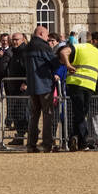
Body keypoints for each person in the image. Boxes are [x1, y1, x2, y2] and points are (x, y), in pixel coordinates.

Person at [22, 24, 60, 152]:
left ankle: (31, 145)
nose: (47, 38)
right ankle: (47, 143)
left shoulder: (27, 47)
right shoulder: (44, 46)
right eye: (47, 35)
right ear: (42, 34)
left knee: (34, 116)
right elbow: (54, 62)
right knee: (48, 114)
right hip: (44, 84)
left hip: (32, 85)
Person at [64, 31, 98, 150]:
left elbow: (63, 52)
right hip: (90, 85)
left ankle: (75, 138)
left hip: (76, 83)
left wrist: (68, 65)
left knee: (79, 113)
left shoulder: (77, 47)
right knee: (81, 113)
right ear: (92, 40)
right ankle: (82, 140)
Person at [4, 31, 29, 145]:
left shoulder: (24, 52)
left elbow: (29, 69)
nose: (14, 42)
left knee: (21, 112)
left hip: (22, 88)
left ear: (22, 39)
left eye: (17, 39)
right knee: (15, 112)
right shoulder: (14, 51)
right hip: (13, 86)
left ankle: (24, 133)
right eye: (13, 40)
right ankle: (20, 135)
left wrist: (25, 82)